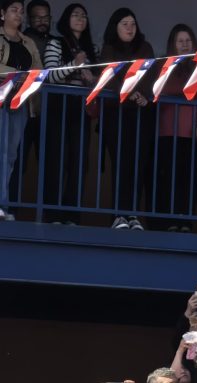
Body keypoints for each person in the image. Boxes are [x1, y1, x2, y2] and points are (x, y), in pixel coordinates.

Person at [152, 24, 197, 229]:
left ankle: (185, 220)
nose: (185, 44)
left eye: (188, 40)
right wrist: (191, 90)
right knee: (169, 176)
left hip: (194, 132)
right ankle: (170, 221)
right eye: (180, 41)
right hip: (167, 132)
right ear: (173, 44)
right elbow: (162, 89)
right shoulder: (165, 65)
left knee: (191, 178)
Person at [97, 7, 153, 230]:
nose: (130, 28)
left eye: (133, 23)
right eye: (124, 24)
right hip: (115, 116)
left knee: (138, 165)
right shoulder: (109, 49)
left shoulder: (145, 47)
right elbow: (107, 79)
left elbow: (153, 75)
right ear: (115, 27)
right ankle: (118, 215)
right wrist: (127, 92)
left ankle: (133, 215)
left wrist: (144, 95)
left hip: (140, 117)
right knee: (121, 165)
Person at [41, 3, 96, 222]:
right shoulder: (55, 42)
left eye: (84, 15)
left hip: (80, 108)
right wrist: (74, 64)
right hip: (58, 107)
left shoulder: (90, 47)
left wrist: (92, 78)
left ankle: (72, 213)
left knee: (79, 161)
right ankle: (52, 213)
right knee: (57, 159)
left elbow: (98, 78)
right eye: (75, 15)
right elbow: (49, 76)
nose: (80, 18)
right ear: (66, 19)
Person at [0, 0, 41, 222]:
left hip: (20, 102)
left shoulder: (28, 42)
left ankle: (3, 205)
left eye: (21, 11)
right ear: (2, 13)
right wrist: (16, 74)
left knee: (11, 156)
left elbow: (39, 70)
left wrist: (28, 77)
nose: (19, 15)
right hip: (0, 99)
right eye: (14, 10)